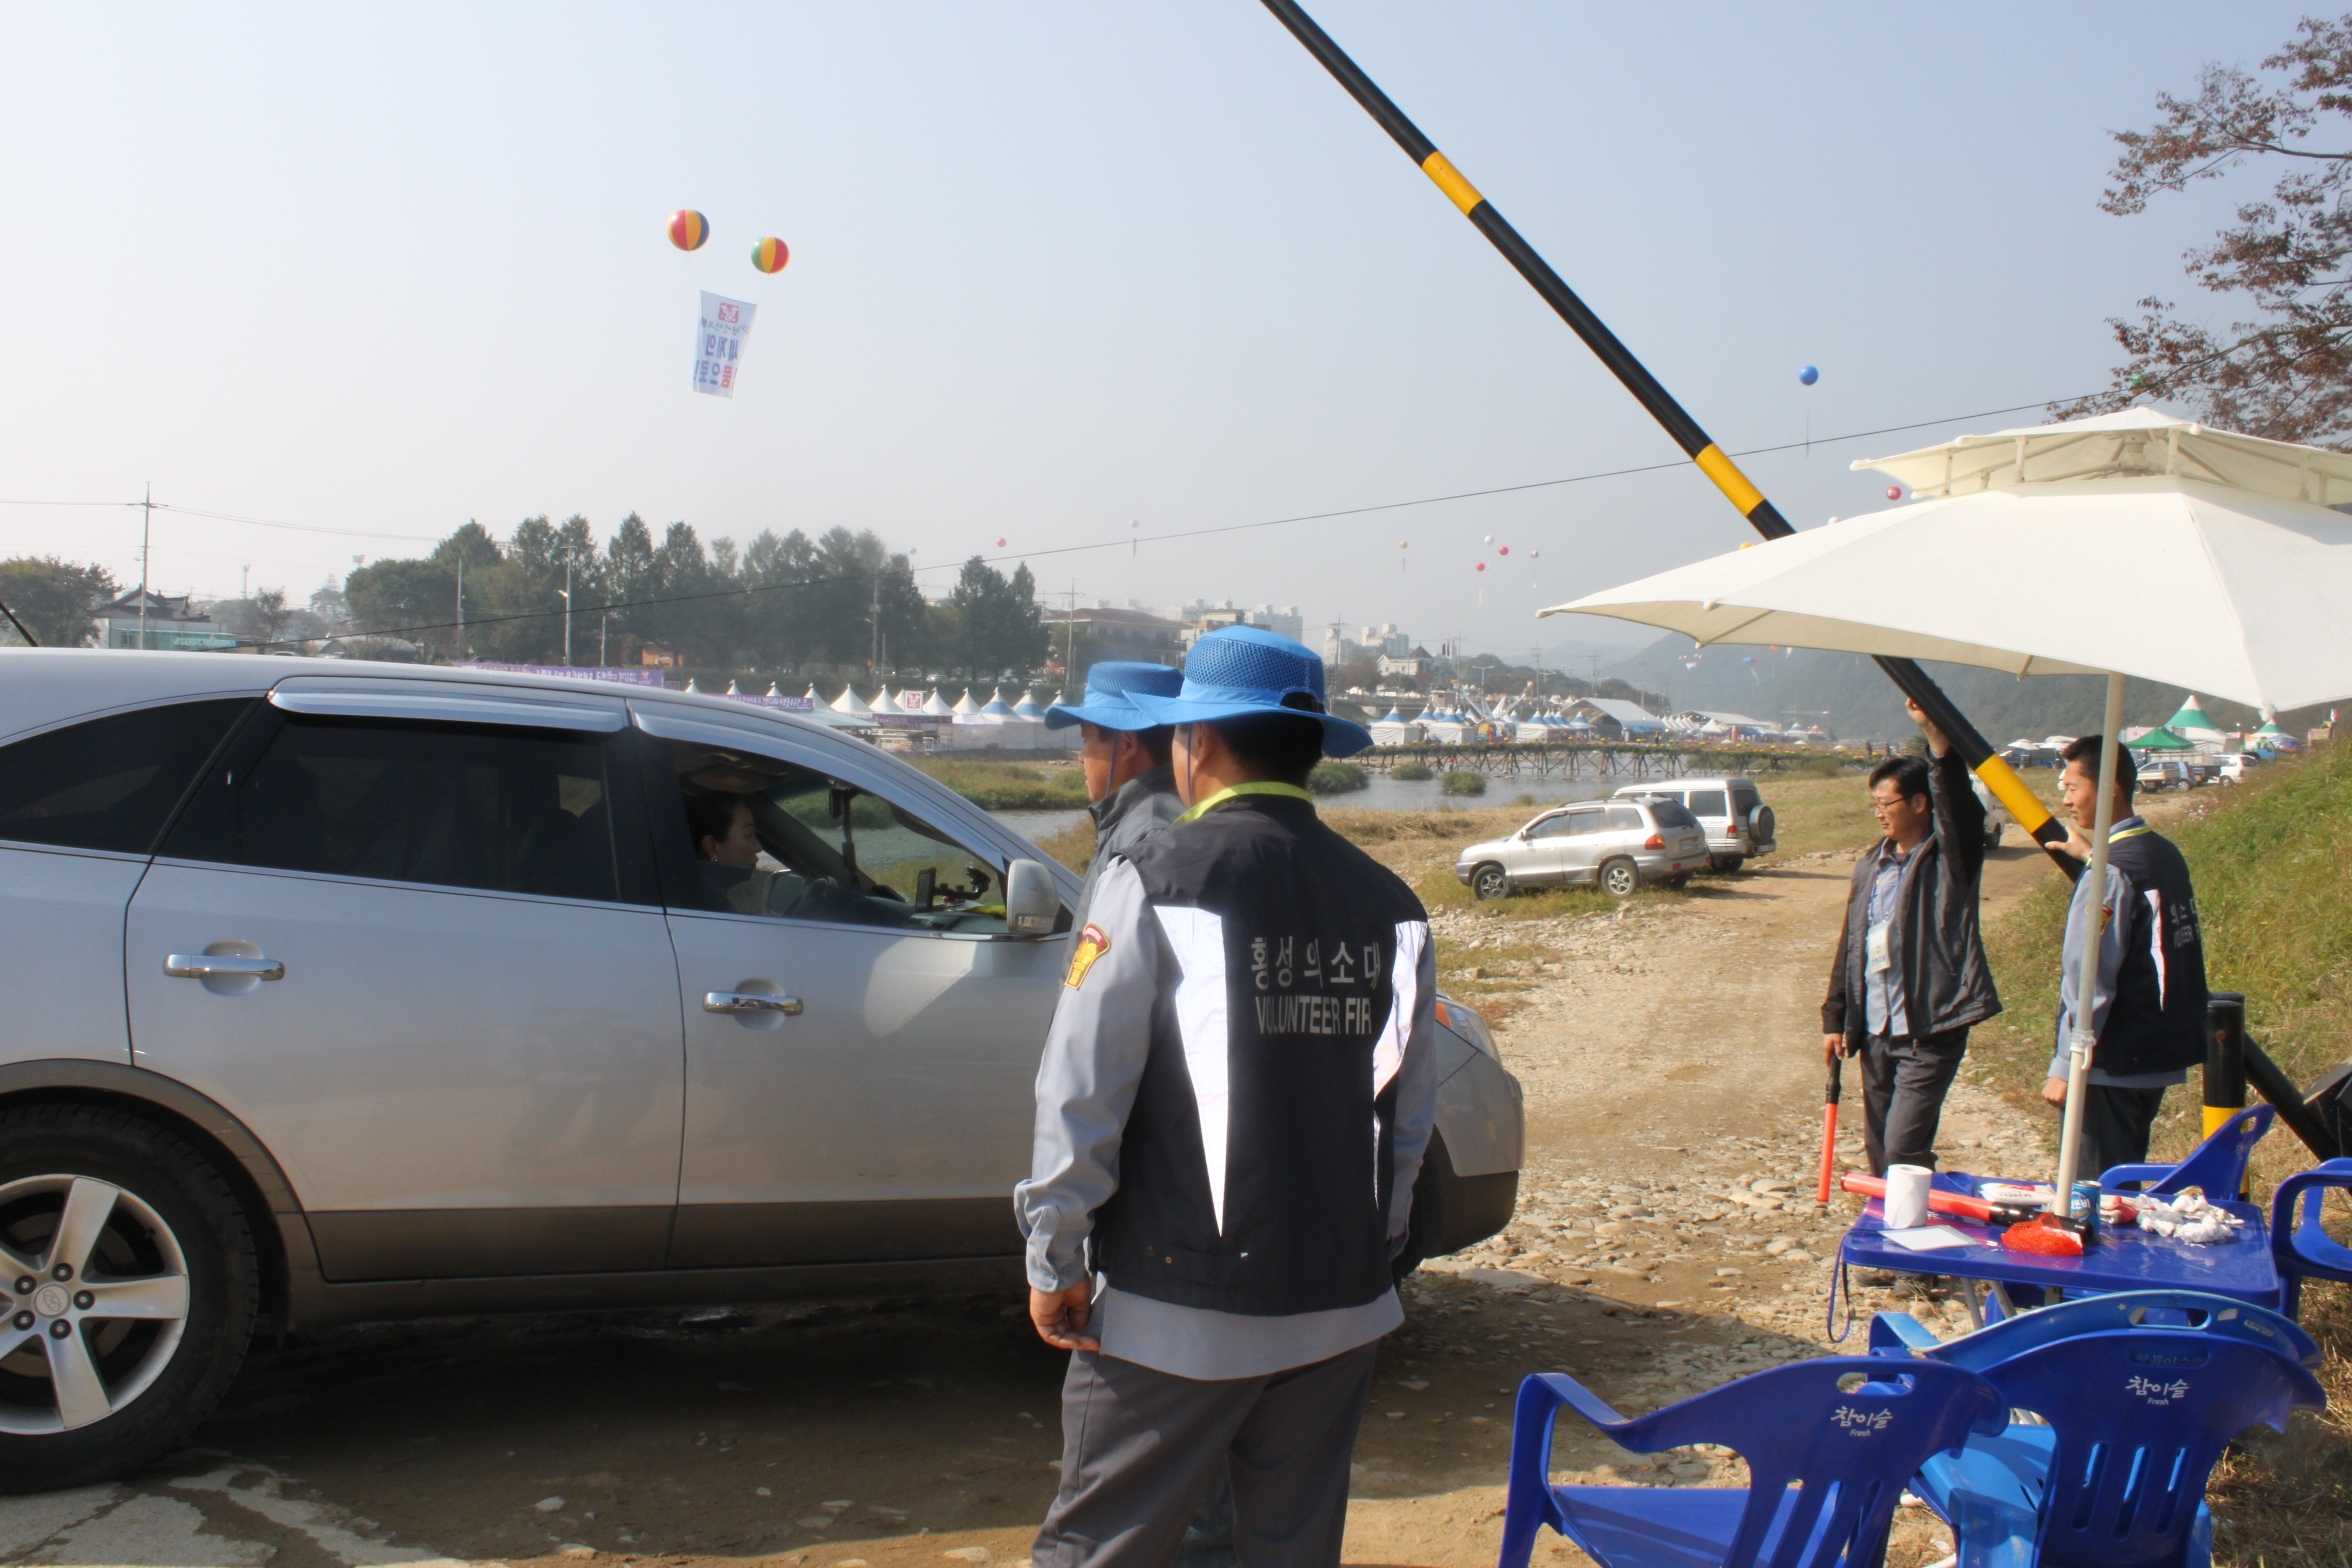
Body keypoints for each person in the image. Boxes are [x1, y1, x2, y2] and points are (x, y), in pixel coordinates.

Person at [1016, 626, 1437, 1568]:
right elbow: (1405, 1119)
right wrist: (1368, 1251)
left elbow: (1081, 1087)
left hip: (1178, 1308)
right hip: (1339, 1308)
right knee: (1288, 1549)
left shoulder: (1152, 877)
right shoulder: (1394, 907)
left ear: (1195, 741)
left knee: (1097, 1547)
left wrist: (1055, 1253)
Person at [1822, 698, 2000, 1175]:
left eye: (1887, 804)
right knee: (1880, 1148)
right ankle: (1891, 1218)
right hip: (1876, 1028)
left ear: (1920, 803)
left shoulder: (1949, 860)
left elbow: (1961, 813)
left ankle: (1913, 1216)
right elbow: (1853, 946)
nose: (1879, 814)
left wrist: (1938, 743)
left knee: (1903, 1149)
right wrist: (1835, 1017)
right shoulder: (1872, 865)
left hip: (1929, 1027)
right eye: (1875, 805)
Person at [2041, 733, 2209, 1175]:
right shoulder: (2162, 854)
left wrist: (2066, 1064)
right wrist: (2092, 856)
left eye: (2073, 788)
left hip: (2110, 1063)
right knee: (2123, 1179)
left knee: (2093, 1193)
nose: (2066, 800)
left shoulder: (2111, 873)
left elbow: (2089, 977)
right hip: (2153, 1055)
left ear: (2110, 787)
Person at [1045, 662, 1186, 930]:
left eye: (1086, 738)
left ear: (1127, 745)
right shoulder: (1146, 821)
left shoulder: (1149, 840)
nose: (1081, 757)